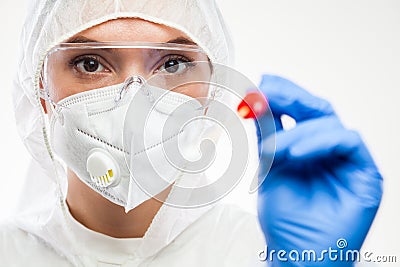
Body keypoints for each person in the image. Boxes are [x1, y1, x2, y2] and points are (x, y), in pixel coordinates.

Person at [2, 0, 382, 266]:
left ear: (212, 91)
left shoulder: (263, 253)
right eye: (90, 63)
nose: (134, 100)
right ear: (40, 90)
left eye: (172, 63)